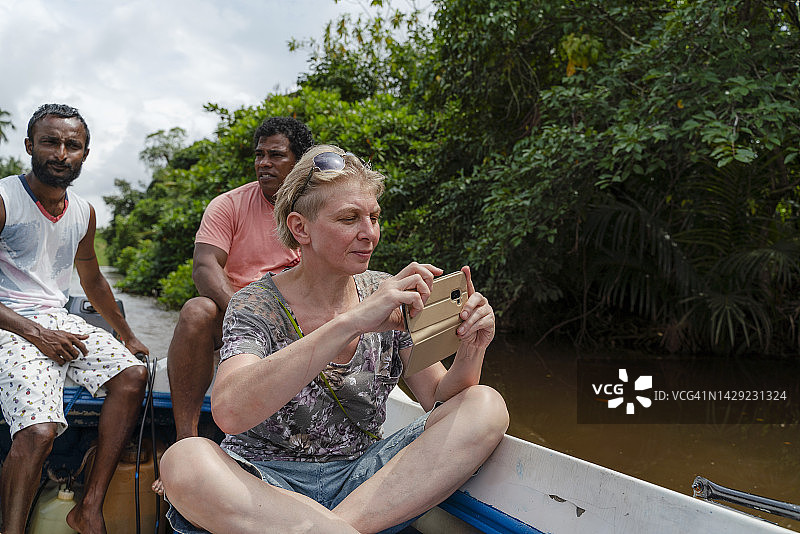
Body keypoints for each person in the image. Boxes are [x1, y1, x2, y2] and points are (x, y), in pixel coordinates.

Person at [159, 145, 509, 533]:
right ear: (300, 228)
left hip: (364, 483)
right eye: (349, 218)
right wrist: (352, 321)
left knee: (485, 404)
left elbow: (439, 398)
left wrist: (473, 349)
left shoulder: (386, 291)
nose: (369, 233)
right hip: (263, 487)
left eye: (374, 217)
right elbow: (229, 412)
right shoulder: (256, 303)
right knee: (184, 459)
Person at [0, 104, 149, 534]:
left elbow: (93, 279)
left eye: (72, 145)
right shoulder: (6, 199)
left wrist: (127, 334)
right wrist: (37, 334)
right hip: (10, 324)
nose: (61, 153)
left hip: (55, 319)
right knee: (42, 431)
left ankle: (88, 507)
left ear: (84, 153)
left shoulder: (83, 211)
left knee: (133, 375)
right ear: (30, 145)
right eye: (51, 142)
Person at [166, 116, 313, 442]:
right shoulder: (228, 205)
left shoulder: (317, 208)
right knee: (196, 311)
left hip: (301, 318)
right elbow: (205, 266)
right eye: (259, 155)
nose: (263, 163)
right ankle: (185, 441)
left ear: (299, 162)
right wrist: (247, 313)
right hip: (235, 313)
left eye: (276, 155)